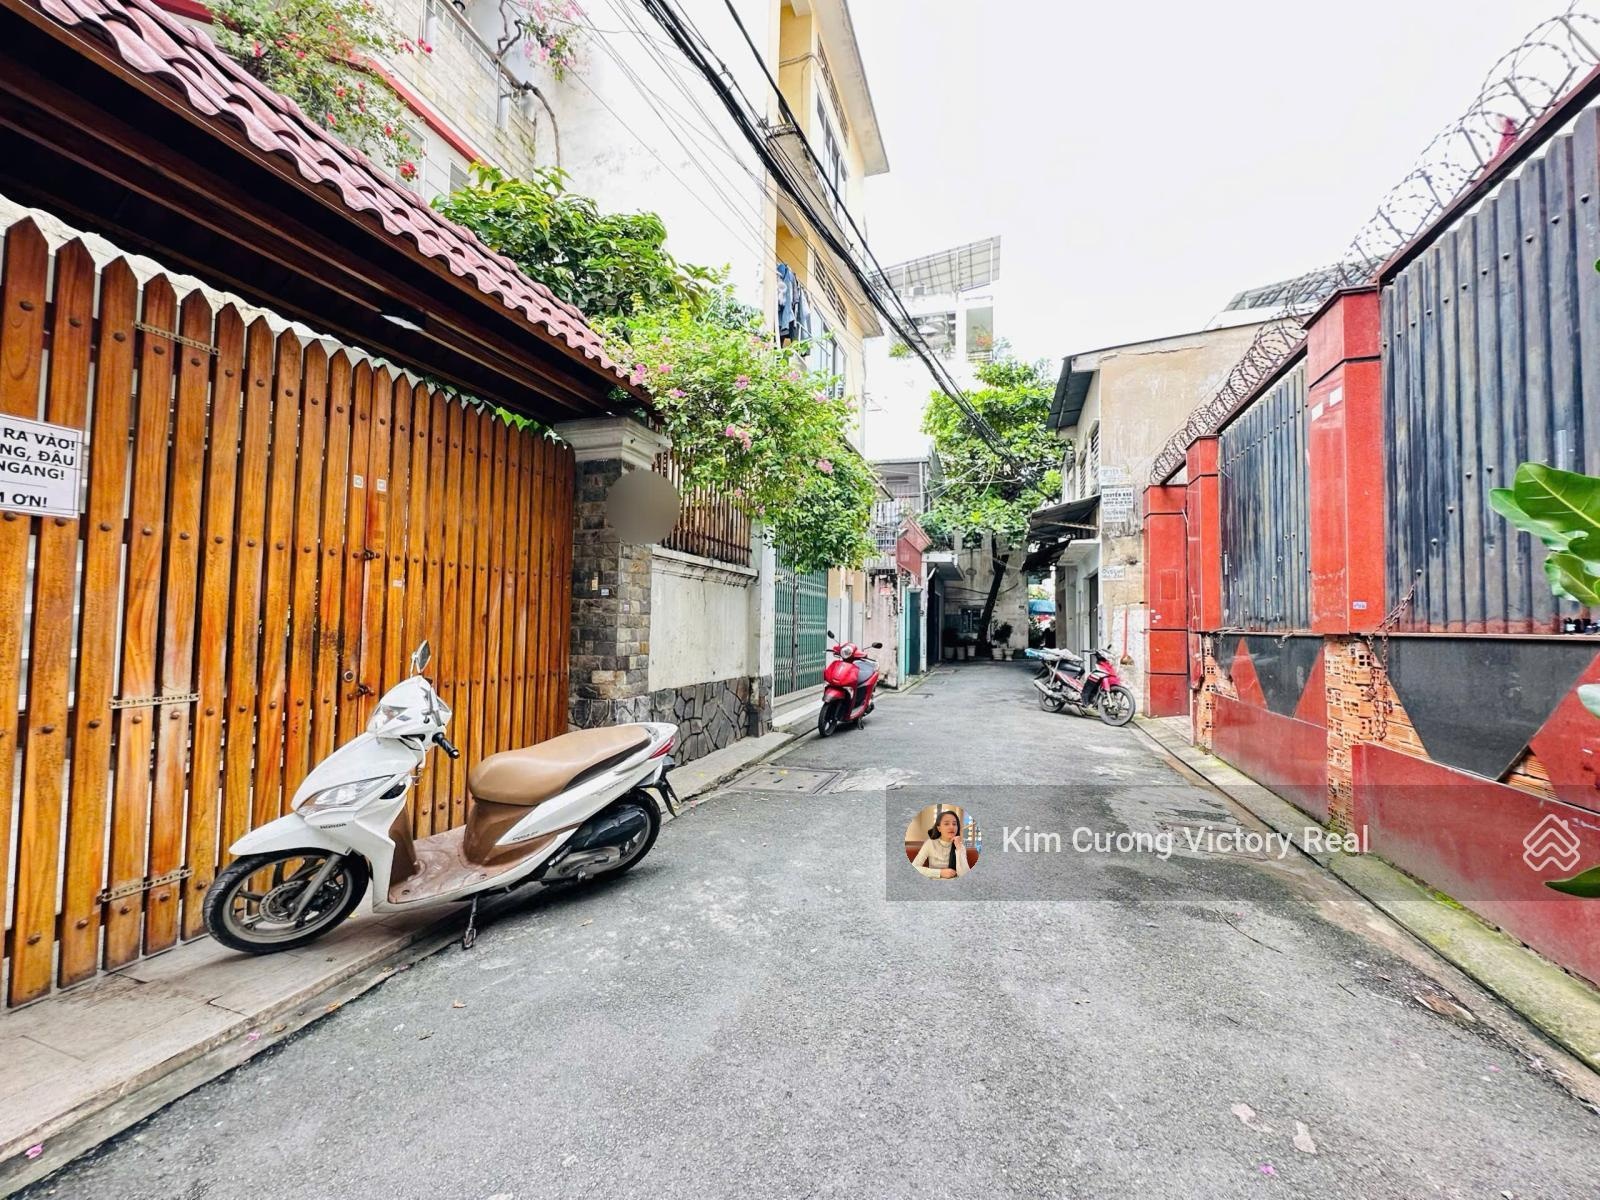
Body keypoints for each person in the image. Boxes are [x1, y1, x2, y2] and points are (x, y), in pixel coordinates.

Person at [912, 810, 970, 879]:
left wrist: (959, 848)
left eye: (954, 824)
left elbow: (965, 874)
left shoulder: (960, 846)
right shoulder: (930, 843)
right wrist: (940, 873)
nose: (951, 827)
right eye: (946, 824)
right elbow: (914, 867)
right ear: (939, 828)